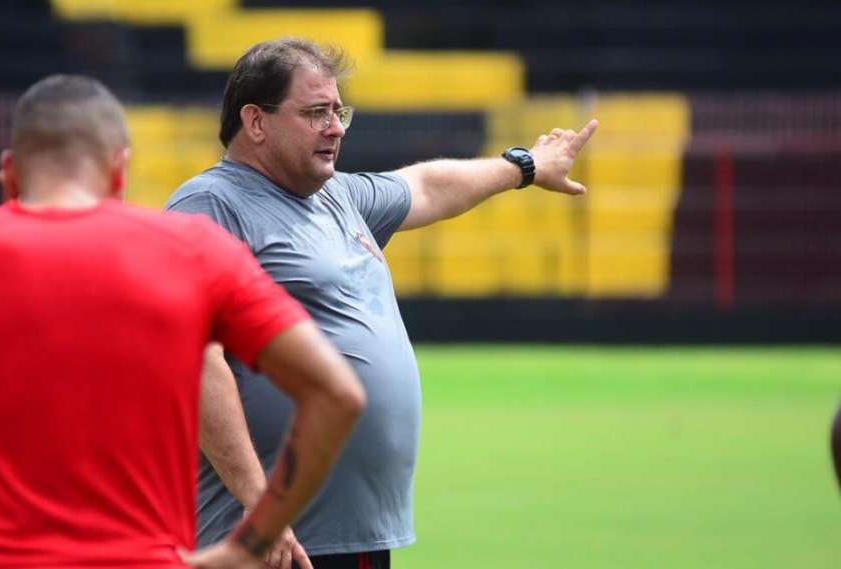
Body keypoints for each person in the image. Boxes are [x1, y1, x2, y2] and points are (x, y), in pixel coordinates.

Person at [0, 74, 366, 569]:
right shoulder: (195, 250)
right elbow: (337, 393)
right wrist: (249, 544)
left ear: (9, 172)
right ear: (120, 170)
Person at [165, 38, 598, 569]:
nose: (337, 127)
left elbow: (430, 186)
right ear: (256, 121)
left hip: (350, 534)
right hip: (271, 542)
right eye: (316, 113)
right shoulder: (210, 204)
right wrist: (264, 512)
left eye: (339, 111)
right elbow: (195, 360)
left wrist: (524, 167)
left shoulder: (339, 196)